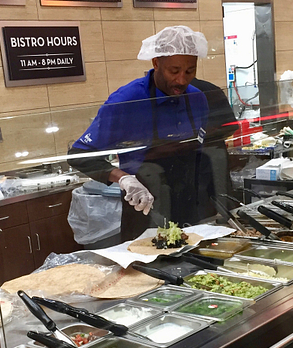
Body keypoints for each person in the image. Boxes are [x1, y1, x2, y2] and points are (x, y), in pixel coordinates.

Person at [68, 26, 211, 240]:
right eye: (174, 71)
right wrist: (124, 179)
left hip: (190, 209)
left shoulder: (197, 98)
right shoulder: (127, 101)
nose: (182, 80)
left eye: (190, 71)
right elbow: (80, 156)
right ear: (156, 63)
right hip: (145, 209)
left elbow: (202, 150)